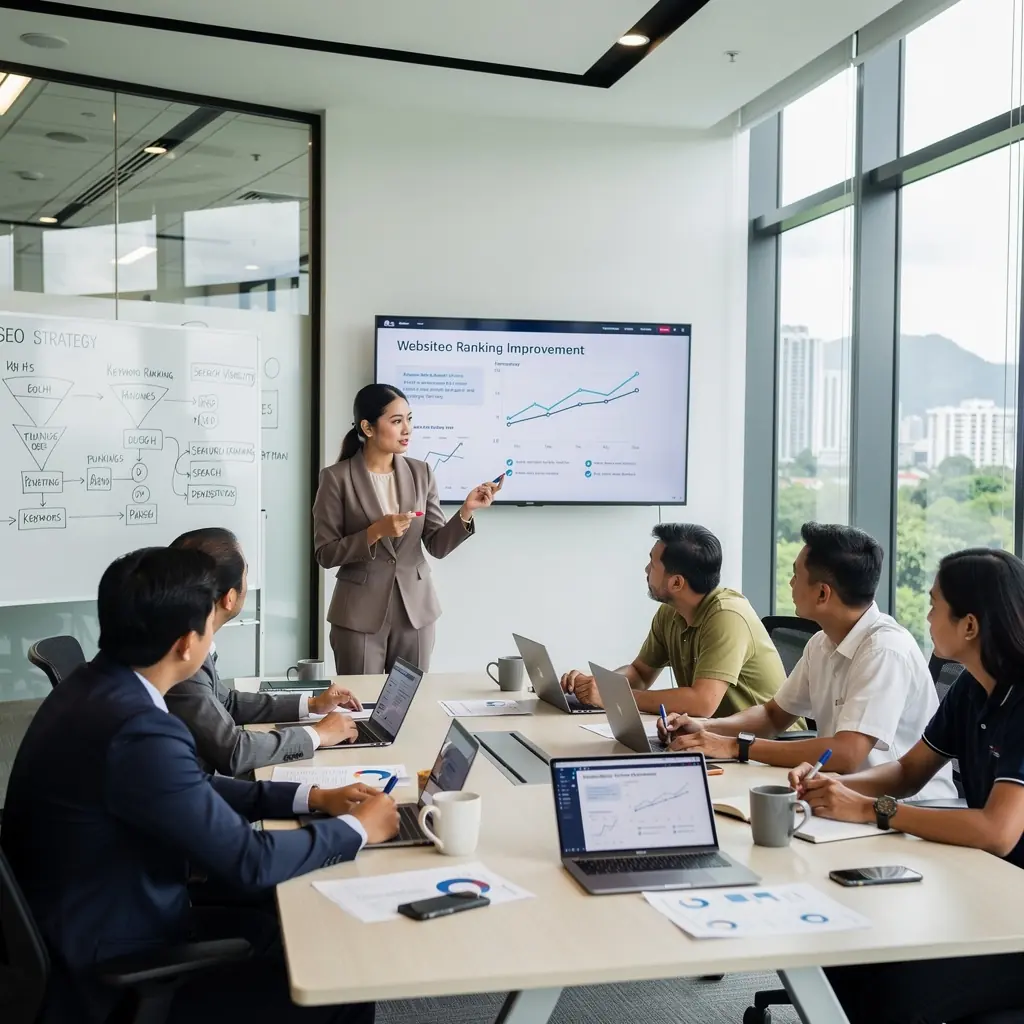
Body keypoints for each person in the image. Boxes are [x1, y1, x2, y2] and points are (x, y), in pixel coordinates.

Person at [1, 546, 398, 1024]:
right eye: (211, 624)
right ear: (187, 644)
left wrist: (310, 797)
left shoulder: (94, 687)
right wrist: (359, 829)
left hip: (94, 915)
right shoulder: (138, 729)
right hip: (113, 970)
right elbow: (250, 861)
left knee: (288, 920)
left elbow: (194, 788)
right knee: (342, 982)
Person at [789, 547, 1024, 1024]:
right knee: (845, 957)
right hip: (991, 888)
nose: (927, 616)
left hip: (1011, 912)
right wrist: (837, 786)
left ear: (969, 625)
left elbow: (998, 831)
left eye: (935, 605)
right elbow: (908, 772)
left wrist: (873, 810)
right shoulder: (972, 688)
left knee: (885, 988)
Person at [661, 523, 957, 800]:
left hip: (903, 809)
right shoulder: (822, 643)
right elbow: (773, 716)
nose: (790, 583)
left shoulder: (884, 650)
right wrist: (706, 728)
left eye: (796, 575)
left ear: (822, 593)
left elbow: (848, 753)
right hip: (839, 794)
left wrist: (736, 746)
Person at [313, 383, 500, 674]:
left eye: (409, 419)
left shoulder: (421, 473)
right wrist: (375, 532)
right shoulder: (336, 478)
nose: (407, 429)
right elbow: (325, 553)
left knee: (411, 699)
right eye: (397, 421)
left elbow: (437, 545)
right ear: (368, 427)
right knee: (361, 699)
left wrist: (466, 510)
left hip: (416, 612)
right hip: (359, 615)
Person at [167, 527, 361, 774]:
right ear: (229, 598)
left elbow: (226, 702)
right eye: (246, 573)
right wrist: (318, 734)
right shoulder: (183, 656)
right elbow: (233, 751)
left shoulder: (184, 635)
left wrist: (312, 704)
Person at [561, 523, 787, 717]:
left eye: (652, 564)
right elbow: (639, 673)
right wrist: (598, 685)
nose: (646, 569)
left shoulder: (728, 617)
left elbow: (702, 703)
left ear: (677, 583)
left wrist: (614, 696)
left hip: (764, 745)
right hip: (711, 737)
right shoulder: (671, 612)